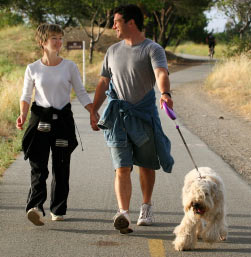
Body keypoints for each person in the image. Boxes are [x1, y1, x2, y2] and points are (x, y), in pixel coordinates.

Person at [90, 4, 174, 234]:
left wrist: (165, 93)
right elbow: (103, 82)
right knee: (122, 166)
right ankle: (123, 213)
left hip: (144, 114)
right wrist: (93, 110)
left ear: (131, 23)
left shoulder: (152, 49)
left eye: (116, 21)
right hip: (118, 116)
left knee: (146, 165)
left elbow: (161, 73)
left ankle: (145, 207)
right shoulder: (112, 51)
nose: (113, 25)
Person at [16, 23, 94, 226]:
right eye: (54, 38)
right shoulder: (32, 68)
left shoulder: (69, 66)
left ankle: (58, 209)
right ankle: (35, 207)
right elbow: (26, 95)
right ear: (42, 42)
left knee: (61, 166)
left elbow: (81, 92)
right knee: (38, 167)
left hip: (63, 121)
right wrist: (23, 115)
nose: (59, 42)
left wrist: (93, 112)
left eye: (60, 38)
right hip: (40, 118)